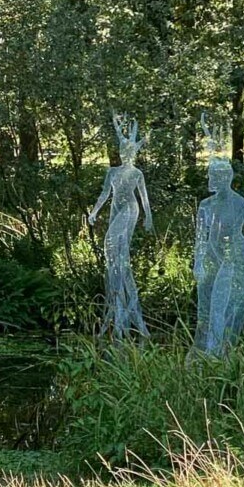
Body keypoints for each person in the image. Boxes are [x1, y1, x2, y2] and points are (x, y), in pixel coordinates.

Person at [192, 157, 244, 356]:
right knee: (208, 309)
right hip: (216, 261)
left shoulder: (242, 205)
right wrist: (198, 263)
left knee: (222, 309)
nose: (209, 179)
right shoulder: (205, 205)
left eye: (213, 175)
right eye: (209, 174)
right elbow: (200, 238)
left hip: (238, 262)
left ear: (226, 177)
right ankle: (213, 355)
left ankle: (216, 356)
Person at [88, 114, 153, 339]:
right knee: (113, 252)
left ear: (134, 153)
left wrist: (149, 218)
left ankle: (123, 315)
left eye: (130, 152)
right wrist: (94, 212)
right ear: (121, 153)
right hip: (117, 209)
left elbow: (144, 198)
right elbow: (105, 194)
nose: (127, 155)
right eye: (124, 152)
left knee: (117, 247)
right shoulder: (112, 172)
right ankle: (118, 308)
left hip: (130, 210)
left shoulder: (137, 173)